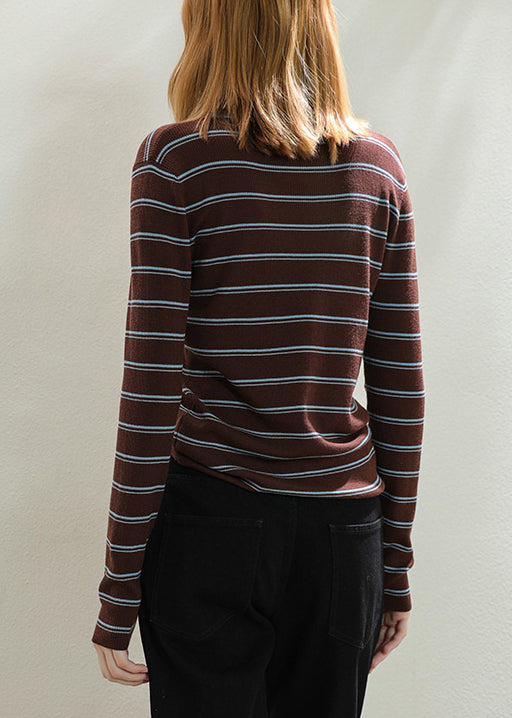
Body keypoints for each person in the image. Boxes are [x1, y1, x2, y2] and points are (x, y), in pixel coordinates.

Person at [92, 1, 425, 715]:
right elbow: (400, 385)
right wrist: (393, 567)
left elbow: (151, 385)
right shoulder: (381, 170)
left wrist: (119, 587)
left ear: (210, 27)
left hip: (209, 522)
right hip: (343, 538)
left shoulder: (177, 163)